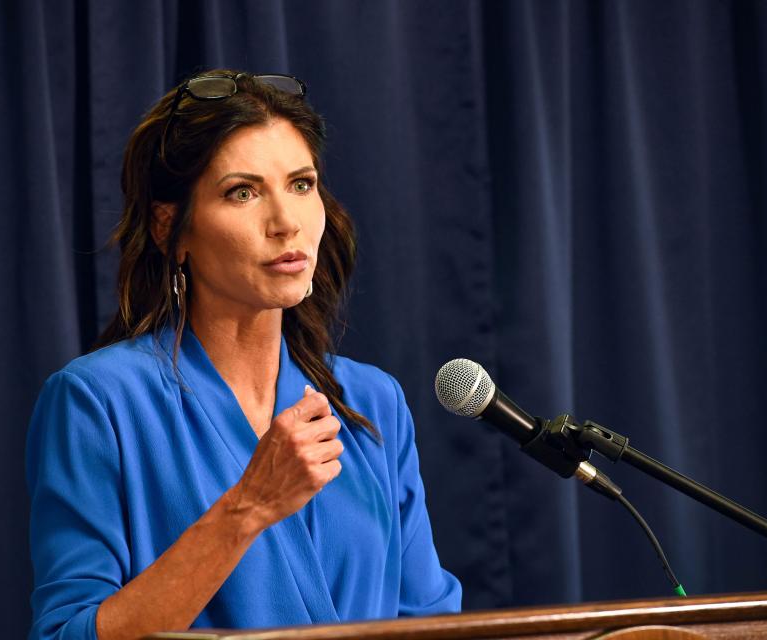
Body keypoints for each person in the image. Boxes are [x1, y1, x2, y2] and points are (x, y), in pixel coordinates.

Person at [26, 70, 462, 640]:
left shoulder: (372, 402)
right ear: (169, 229)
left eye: (302, 184)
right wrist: (248, 507)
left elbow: (431, 623)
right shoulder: (97, 402)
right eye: (243, 192)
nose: (287, 223)